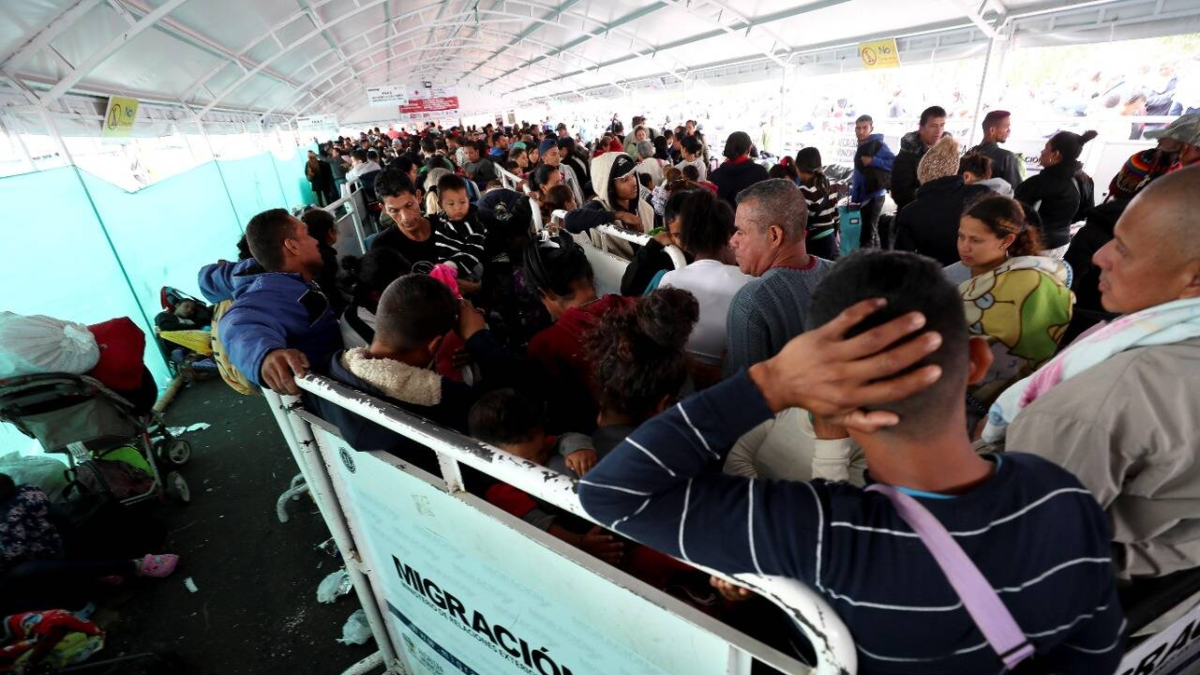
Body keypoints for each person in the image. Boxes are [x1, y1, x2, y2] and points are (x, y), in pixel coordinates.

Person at [578, 249, 1126, 674]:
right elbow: (1093, 660)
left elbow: (612, 493)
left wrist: (771, 381)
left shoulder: (822, 532)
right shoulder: (1064, 497)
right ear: (978, 361)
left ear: (829, 398)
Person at [985, 166, 1200, 591]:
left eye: (1123, 248)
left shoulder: (1101, 399)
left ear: (1193, 278)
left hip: (1096, 586)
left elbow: (1021, 547)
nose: (1100, 256)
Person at [312, 275, 520, 466]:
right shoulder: (445, 402)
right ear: (434, 345)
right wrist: (479, 340)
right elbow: (513, 399)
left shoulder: (327, 373)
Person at [198, 209, 343, 395]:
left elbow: (209, 277)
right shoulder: (279, 293)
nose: (315, 241)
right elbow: (241, 322)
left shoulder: (250, 271)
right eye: (307, 234)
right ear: (292, 246)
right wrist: (265, 355)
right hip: (327, 388)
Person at [469, 390, 616, 559]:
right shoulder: (500, 490)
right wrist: (580, 543)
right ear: (494, 455)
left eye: (541, 452)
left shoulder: (531, 445)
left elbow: (564, 438)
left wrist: (579, 449)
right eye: (527, 460)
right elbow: (542, 525)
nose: (539, 461)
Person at [0, 474, 179, 613]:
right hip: (63, 548)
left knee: (21, 572)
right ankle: (111, 571)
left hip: (47, 561)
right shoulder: (28, 490)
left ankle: (132, 566)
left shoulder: (7, 518)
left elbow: (11, 554)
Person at [524, 233, 634, 435]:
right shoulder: (633, 307)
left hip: (594, 441)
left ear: (547, 294)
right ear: (590, 276)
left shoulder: (546, 345)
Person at [724, 179, 833, 376]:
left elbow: (744, 390)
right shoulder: (841, 275)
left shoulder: (752, 302)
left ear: (774, 235)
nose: (733, 241)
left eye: (741, 232)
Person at [656, 189, 751, 370]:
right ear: (728, 238)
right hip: (730, 380)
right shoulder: (749, 284)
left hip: (678, 378)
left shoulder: (668, 281)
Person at [894, 136, 992, 266]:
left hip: (933, 275)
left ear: (922, 174)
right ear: (954, 169)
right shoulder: (982, 195)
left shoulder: (910, 212)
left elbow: (901, 261)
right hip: (979, 273)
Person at [1014, 130, 1098, 256]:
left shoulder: (1038, 183)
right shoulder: (1086, 180)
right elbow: (1086, 212)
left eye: (1046, 148)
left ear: (1056, 154)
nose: (1041, 152)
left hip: (1035, 245)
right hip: (1063, 244)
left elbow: (1014, 214)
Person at [944, 194, 1045, 286]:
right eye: (961, 237)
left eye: (976, 240)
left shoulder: (1027, 283)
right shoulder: (945, 279)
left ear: (1006, 241)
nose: (964, 247)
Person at [340, 248, 411, 349]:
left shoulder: (384, 304)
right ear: (376, 294)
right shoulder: (360, 322)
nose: (411, 291)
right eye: (404, 287)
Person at [428, 174, 487, 288]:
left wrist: (451, 266)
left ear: (468, 199)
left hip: (469, 266)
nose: (458, 208)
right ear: (440, 204)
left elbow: (473, 251)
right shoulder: (440, 219)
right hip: (445, 266)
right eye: (451, 204)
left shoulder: (474, 224)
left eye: (462, 202)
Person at [850, 115, 895, 249]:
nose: (861, 131)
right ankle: (875, 258)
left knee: (868, 235)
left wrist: (874, 161)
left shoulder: (878, 145)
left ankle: (869, 260)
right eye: (858, 128)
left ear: (871, 128)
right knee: (871, 232)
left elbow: (894, 162)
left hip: (874, 196)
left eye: (865, 128)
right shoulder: (863, 145)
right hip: (866, 195)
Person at [890, 105, 946, 210]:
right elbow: (900, 195)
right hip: (912, 215)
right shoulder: (905, 157)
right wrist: (933, 194)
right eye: (933, 126)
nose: (938, 131)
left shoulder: (948, 154)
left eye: (942, 125)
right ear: (921, 128)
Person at [589, 152, 657, 232]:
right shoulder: (597, 213)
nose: (634, 182)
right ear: (609, 186)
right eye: (625, 179)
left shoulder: (647, 209)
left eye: (633, 175)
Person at [794, 148, 839, 261]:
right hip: (831, 238)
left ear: (799, 167)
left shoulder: (804, 190)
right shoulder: (831, 184)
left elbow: (801, 221)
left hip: (816, 243)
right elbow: (836, 214)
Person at [301, 208, 347, 314]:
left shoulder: (311, 254)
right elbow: (331, 289)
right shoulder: (326, 257)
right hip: (334, 310)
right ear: (330, 232)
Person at [709, 131, 769, 209]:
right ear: (749, 149)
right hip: (753, 216)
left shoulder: (715, 175)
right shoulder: (760, 172)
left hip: (724, 216)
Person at [968, 110, 1023, 190]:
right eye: (1007, 127)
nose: (1009, 131)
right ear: (992, 130)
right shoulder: (1007, 157)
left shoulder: (968, 154)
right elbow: (1017, 191)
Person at [539, 139, 584, 205]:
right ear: (544, 158)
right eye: (554, 154)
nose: (558, 157)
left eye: (558, 153)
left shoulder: (567, 168)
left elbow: (577, 190)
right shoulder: (540, 175)